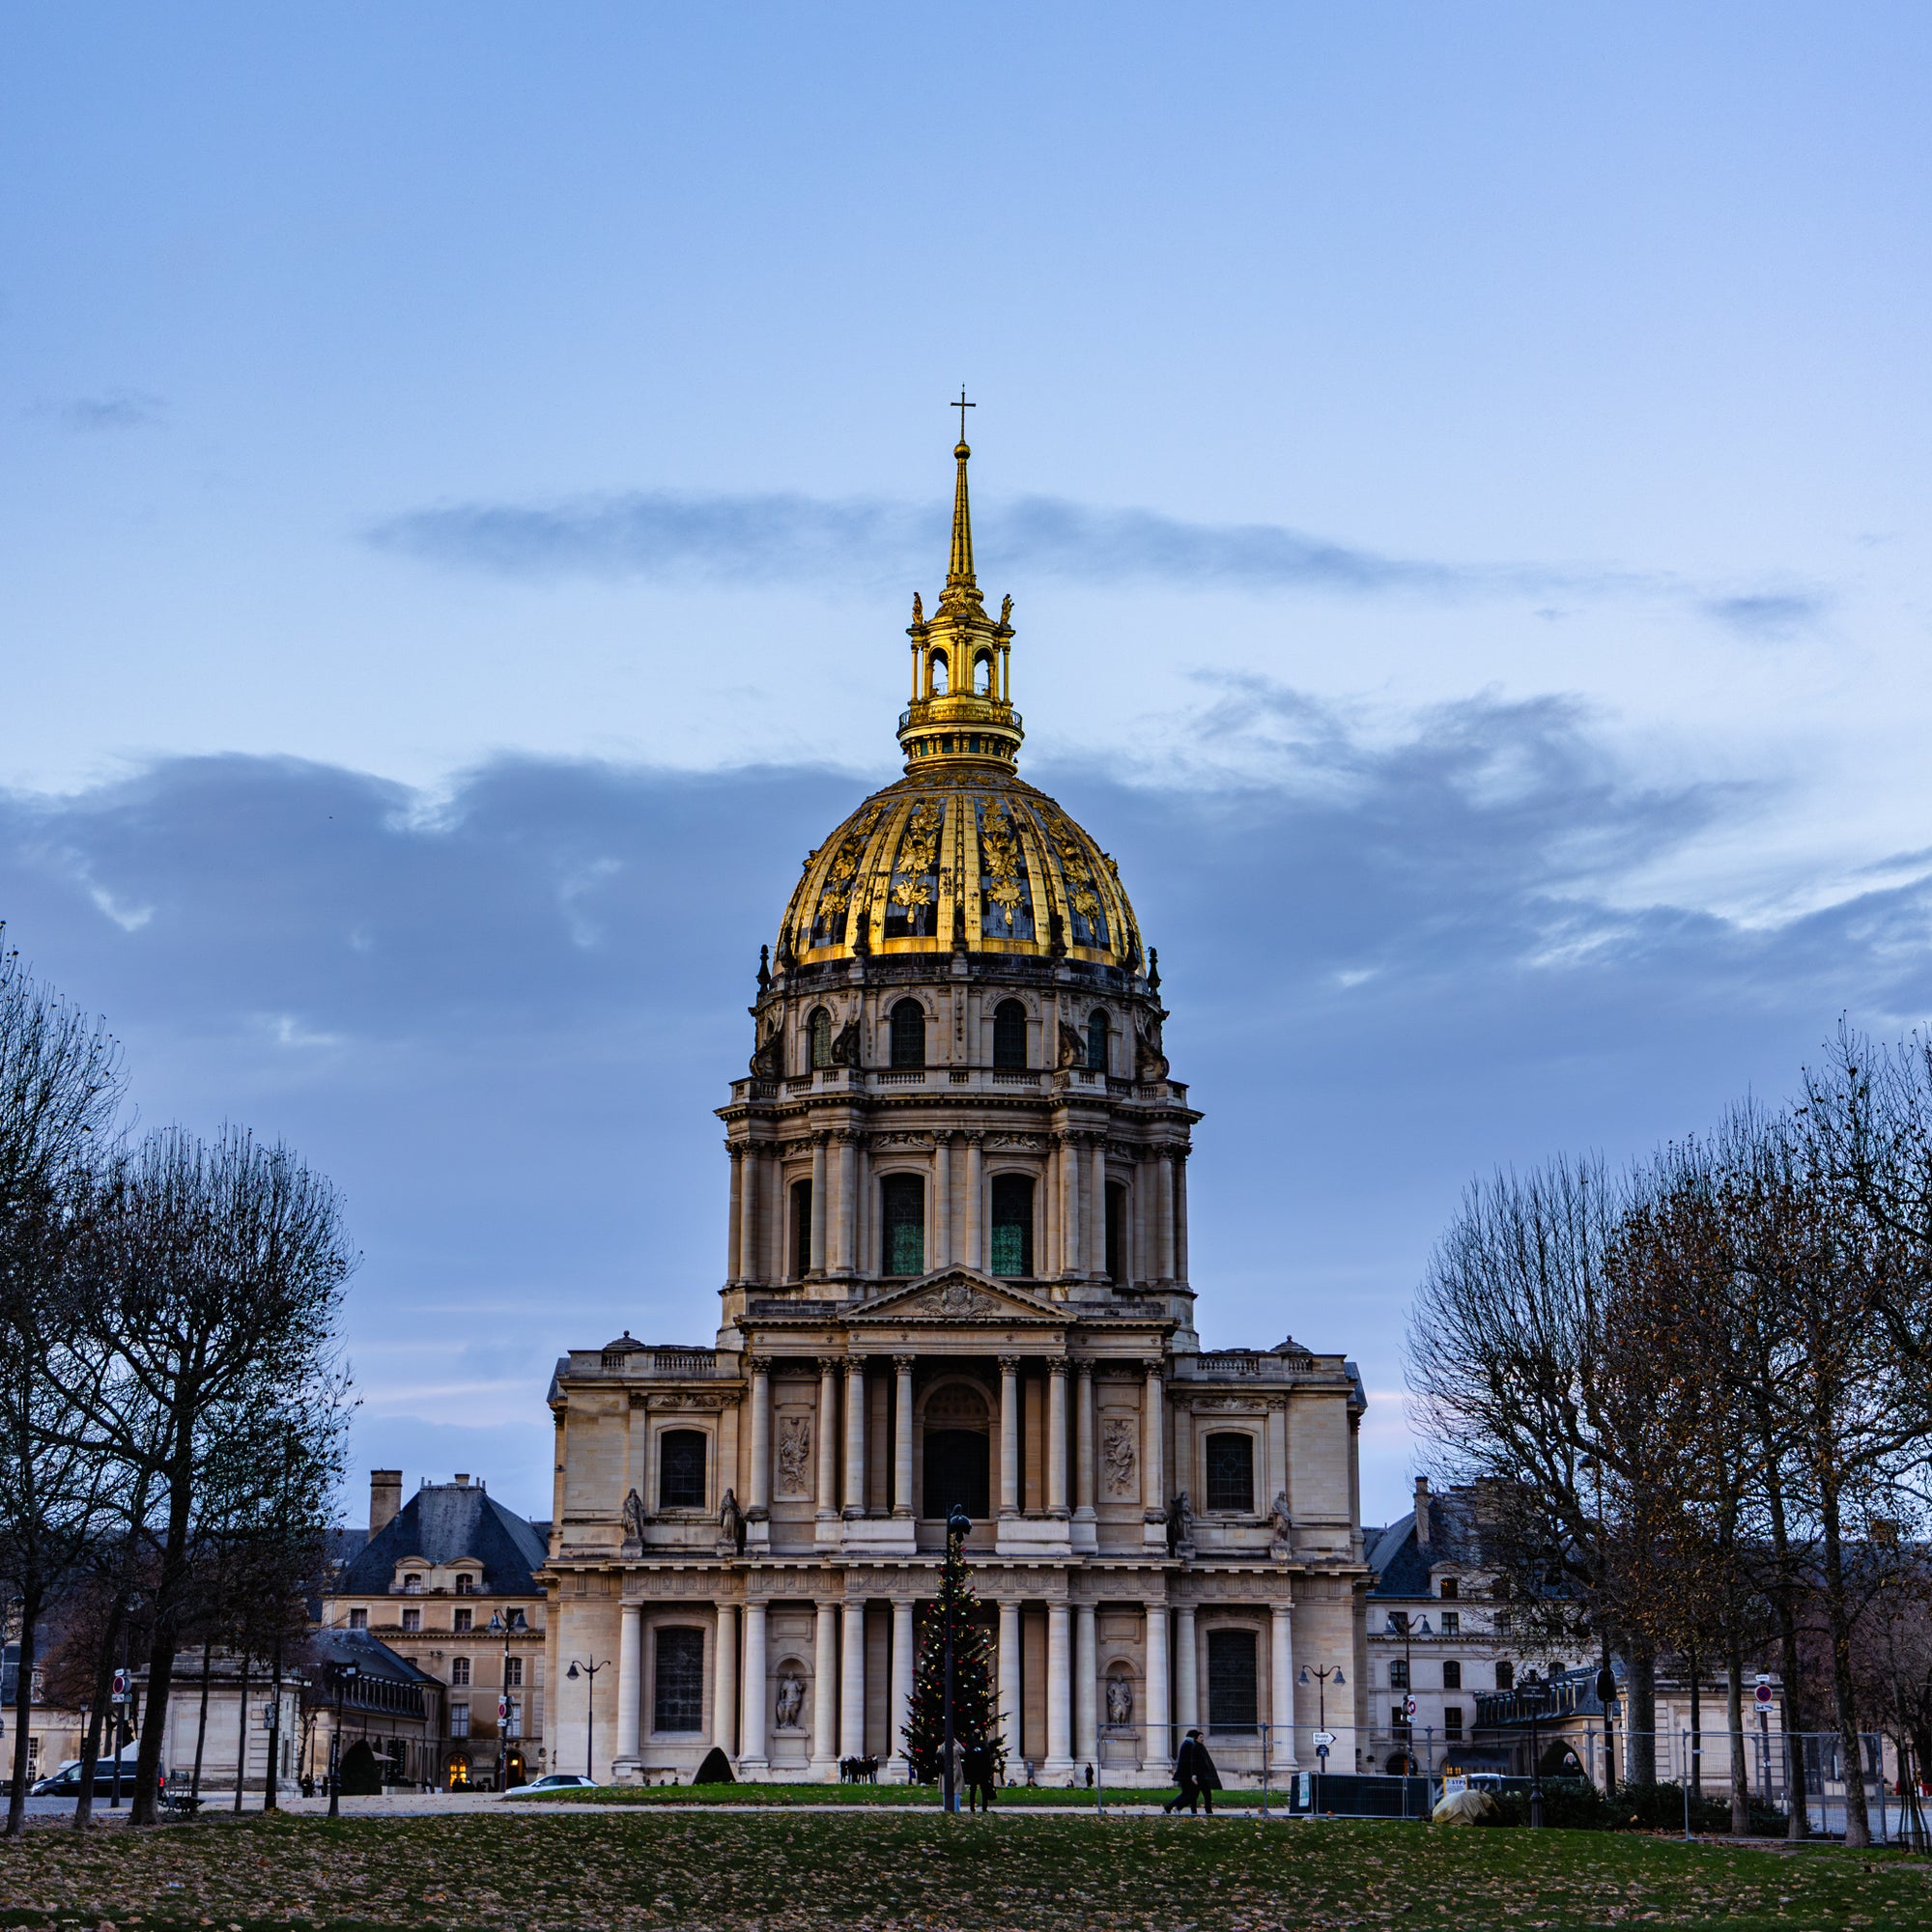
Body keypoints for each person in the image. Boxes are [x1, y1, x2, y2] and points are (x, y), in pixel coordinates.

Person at [1164, 1729, 1222, 1815]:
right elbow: (1192, 1762)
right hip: (1187, 1775)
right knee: (1189, 1795)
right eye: (1200, 1737)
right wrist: (1193, 1775)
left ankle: (1175, 1808)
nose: (1202, 1739)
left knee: (1190, 1795)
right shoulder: (1190, 1745)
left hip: (1188, 1775)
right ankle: (1172, 1807)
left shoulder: (1189, 1745)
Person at [962, 1737, 996, 1813]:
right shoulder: (984, 1746)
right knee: (984, 1791)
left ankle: (972, 1807)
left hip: (973, 1772)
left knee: (973, 1790)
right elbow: (988, 1760)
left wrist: (967, 1773)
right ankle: (984, 1807)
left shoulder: (970, 1746)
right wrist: (989, 1772)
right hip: (983, 1772)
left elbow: (966, 1760)